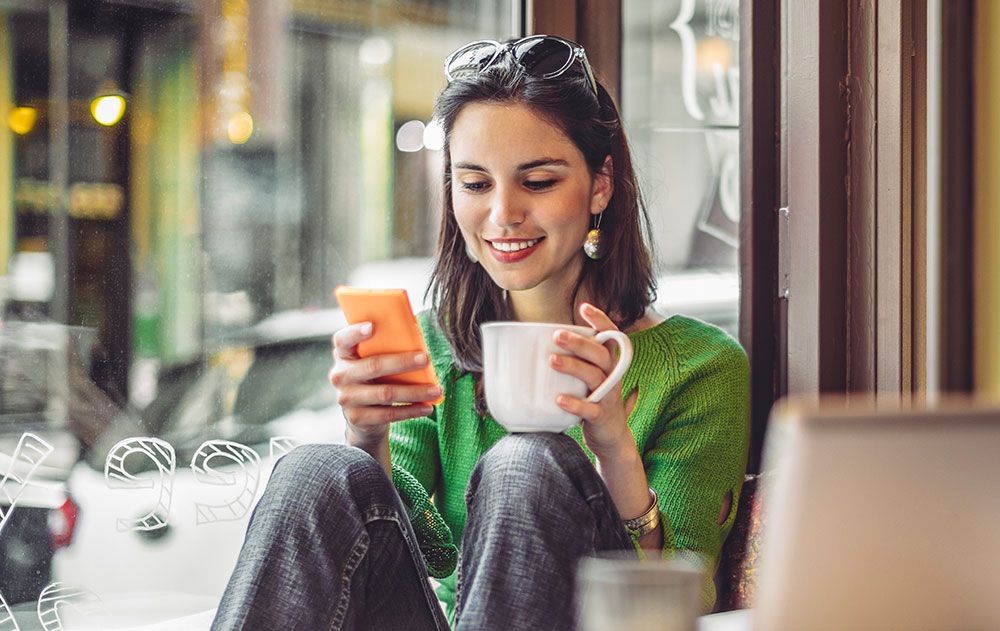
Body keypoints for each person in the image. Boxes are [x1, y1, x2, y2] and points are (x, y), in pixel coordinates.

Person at [212, 35, 749, 631]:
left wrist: (613, 447)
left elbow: (680, 601)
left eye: (537, 182)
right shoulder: (435, 345)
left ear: (601, 184)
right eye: (475, 184)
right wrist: (367, 438)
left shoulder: (700, 366)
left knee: (526, 461)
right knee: (317, 468)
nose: (502, 215)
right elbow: (425, 552)